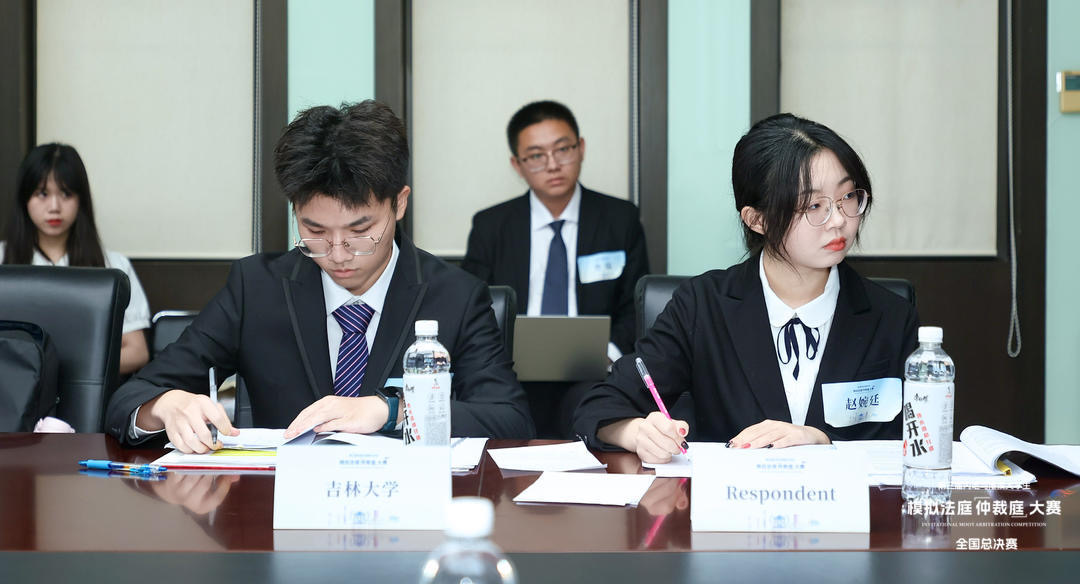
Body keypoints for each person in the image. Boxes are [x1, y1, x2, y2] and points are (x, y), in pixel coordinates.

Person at [105, 101, 533, 452]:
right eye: (315, 231)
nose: (338, 253)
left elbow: (510, 418)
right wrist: (165, 405)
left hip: (406, 510)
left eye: (361, 231)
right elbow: (128, 399)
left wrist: (393, 411)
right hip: (280, 512)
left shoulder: (455, 295)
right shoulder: (257, 288)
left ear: (399, 203)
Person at [572, 113, 918, 463]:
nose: (841, 219)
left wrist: (823, 441)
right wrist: (636, 433)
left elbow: (920, 437)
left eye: (848, 196)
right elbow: (600, 405)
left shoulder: (890, 316)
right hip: (730, 497)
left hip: (848, 498)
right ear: (757, 219)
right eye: (815, 205)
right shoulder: (703, 306)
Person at [461, 100, 650, 437]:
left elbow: (634, 308)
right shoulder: (491, 226)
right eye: (536, 155)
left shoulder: (620, 219)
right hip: (510, 371)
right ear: (517, 165)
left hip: (594, 372)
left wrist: (605, 355)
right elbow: (475, 308)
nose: (552, 165)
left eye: (562, 149)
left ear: (581, 148)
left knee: (592, 407)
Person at [2, 143, 150, 375]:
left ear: (81, 200)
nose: (54, 207)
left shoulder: (113, 265)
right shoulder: (2, 258)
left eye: (66, 194)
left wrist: (72, 371)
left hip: (88, 388)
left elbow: (137, 351)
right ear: (25, 199)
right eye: (42, 194)